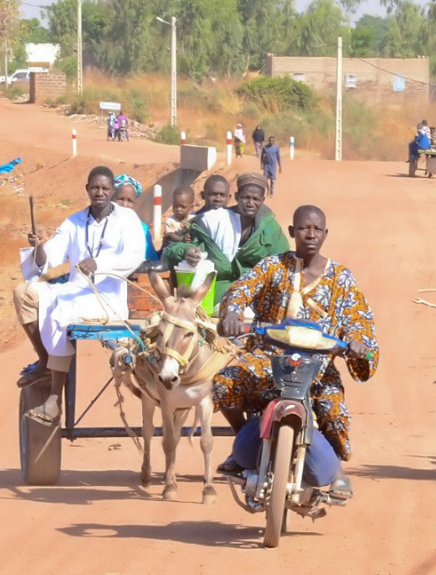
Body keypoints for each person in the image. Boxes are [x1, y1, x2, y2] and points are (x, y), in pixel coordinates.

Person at [214, 204, 380, 498]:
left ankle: (336, 471)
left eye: (317, 229)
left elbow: (357, 319)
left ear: (326, 234)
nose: (311, 234)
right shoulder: (272, 266)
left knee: (332, 409)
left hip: (317, 365)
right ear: (292, 232)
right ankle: (244, 438)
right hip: (269, 358)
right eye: (304, 228)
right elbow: (241, 289)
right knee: (224, 382)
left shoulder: (341, 278)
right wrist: (233, 313)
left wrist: (357, 342)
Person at [14, 166, 147, 425]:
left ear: (112, 191)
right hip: (74, 289)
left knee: (61, 311)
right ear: (87, 189)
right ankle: (45, 360)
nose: (99, 192)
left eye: (105, 188)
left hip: (107, 297)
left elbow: (134, 256)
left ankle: (54, 398)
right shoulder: (74, 221)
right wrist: (38, 246)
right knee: (24, 293)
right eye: (95, 188)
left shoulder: (127, 219)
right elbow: (49, 258)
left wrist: (100, 264)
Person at [162, 173, 289, 308]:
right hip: (215, 296)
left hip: (255, 296)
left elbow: (284, 263)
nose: (250, 203)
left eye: (256, 199)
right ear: (236, 197)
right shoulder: (215, 221)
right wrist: (187, 251)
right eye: (246, 197)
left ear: (263, 200)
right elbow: (172, 252)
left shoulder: (269, 228)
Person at [112, 173, 160, 262]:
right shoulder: (102, 225)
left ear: (134, 204)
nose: (125, 205)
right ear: (111, 198)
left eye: (129, 201)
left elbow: (151, 260)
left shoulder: (142, 229)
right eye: (121, 199)